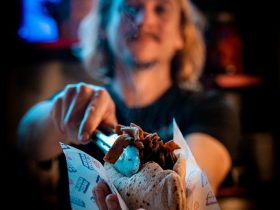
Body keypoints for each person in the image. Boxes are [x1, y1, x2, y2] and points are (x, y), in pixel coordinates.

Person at [17, 0, 240, 209]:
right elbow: (28, 139)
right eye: (131, 7)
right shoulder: (81, 103)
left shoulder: (210, 109)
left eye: (161, 9)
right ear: (105, 26)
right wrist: (66, 117)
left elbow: (194, 187)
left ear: (181, 35)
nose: (145, 20)